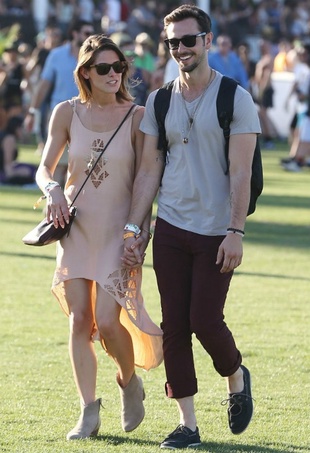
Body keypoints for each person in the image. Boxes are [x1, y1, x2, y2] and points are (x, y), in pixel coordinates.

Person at [122, 4, 261, 449]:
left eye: (188, 40)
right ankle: (188, 424)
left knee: (205, 320)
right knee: (175, 327)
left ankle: (236, 375)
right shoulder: (159, 102)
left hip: (218, 230)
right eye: (173, 42)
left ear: (206, 40)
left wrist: (236, 232)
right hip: (172, 227)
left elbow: (241, 173)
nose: (180, 48)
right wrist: (134, 229)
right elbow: (148, 173)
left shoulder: (234, 98)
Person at [35, 34, 163, 441]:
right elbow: (43, 168)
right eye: (104, 68)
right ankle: (88, 411)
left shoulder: (139, 115)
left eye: (119, 67)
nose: (113, 74)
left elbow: (147, 177)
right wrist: (52, 189)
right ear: (86, 72)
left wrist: (138, 230)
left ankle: (129, 383)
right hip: (76, 229)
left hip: (119, 232)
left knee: (108, 322)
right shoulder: (66, 112)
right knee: (79, 321)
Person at [24, 19, 95, 187]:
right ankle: (52, 208)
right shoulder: (56, 55)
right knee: (56, 166)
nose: (89, 38)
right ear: (75, 33)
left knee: (80, 166)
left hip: (87, 115)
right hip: (60, 116)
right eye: (86, 33)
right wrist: (32, 112)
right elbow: (44, 85)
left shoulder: (94, 58)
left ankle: (70, 209)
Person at [0, 115, 37, 185]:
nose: (24, 130)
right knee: (31, 170)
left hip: (4, 169)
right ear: (16, 128)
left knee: (32, 168)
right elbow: (8, 167)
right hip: (3, 173)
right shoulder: (9, 139)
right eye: (22, 127)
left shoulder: (9, 137)